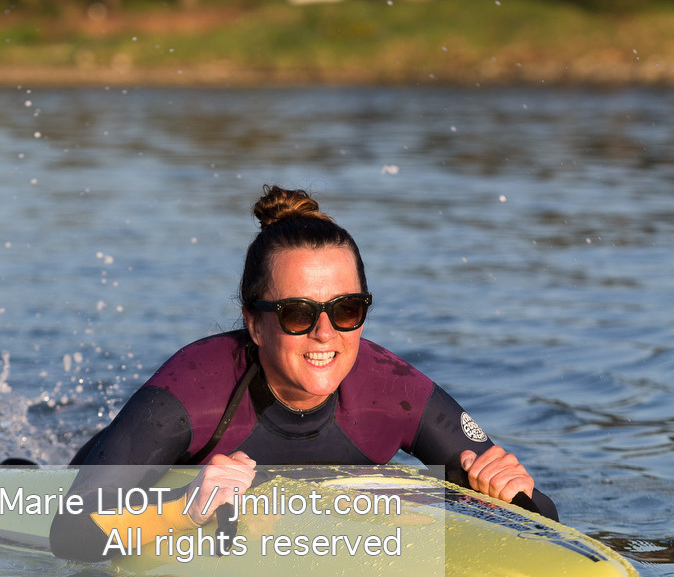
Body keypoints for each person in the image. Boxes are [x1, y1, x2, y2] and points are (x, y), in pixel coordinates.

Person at [51, 185, 556, 558]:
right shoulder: (191, 394)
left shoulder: (395, 393)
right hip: (112, 482)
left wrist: (509, 496)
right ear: (254, 323)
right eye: (297, 313)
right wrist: (186, 512)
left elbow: (545, 518)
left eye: (346, 309)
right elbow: (70, 534)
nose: (325, 333)